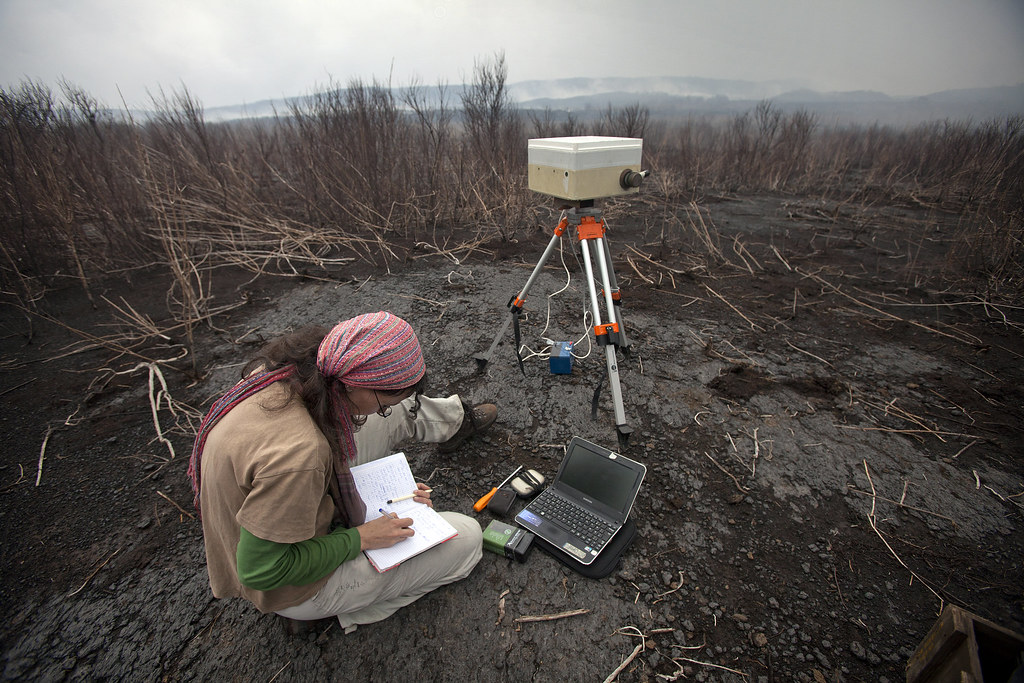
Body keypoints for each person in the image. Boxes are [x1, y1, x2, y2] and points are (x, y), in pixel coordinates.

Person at [187, 311, 496, 633]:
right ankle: (324, 612)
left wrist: (389, 493)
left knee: (397, 408)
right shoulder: (301, 456)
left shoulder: (298, 371)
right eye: (383, 403)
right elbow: (261, 571)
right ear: (353, 384)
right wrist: (361, 537)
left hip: (280, 495)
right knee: (468, 538)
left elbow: (301, 466)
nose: (382, 412)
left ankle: (453, 423)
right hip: (286, 583)